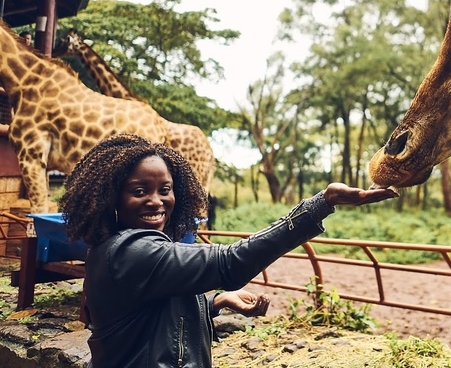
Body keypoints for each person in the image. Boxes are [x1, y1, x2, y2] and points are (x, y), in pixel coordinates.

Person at [60, 133, 398, 368]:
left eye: (165, 189)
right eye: (139, 191)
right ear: (111, 198)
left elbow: (150, 315)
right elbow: (230, 263)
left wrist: (216, 301)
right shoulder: (131, 251)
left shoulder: (114, 248)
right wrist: (321, 204)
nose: (157, 201)